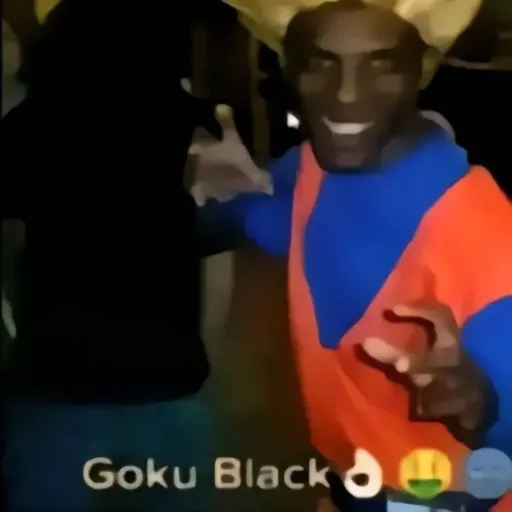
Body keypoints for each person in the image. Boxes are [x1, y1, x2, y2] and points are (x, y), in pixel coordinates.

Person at [194, 1, 512, 510]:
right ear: (289, 68)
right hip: (349, 482)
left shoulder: (486, 237)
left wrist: (482, 406)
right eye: (320, 63)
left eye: (381, 64)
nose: (345, 92)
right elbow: (243, 224)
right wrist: (211, 190)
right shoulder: (306, 169)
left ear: (419, 72)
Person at [1, 1, 220, 511]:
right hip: (167, 375)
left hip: (55, 374)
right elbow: (216, 253)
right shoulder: (191, 124)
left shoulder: (26, 125)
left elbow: (9, 241)